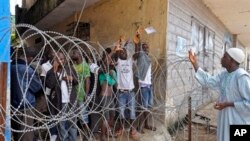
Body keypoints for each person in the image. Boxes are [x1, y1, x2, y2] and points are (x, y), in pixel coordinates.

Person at [188, 47, 250, 141]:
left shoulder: (242, 77)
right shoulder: (224, 74)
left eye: (225, 57)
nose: (221, 58)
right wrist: (194, 63)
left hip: (238, 121)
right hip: (225, 118)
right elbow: (209, 81)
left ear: (232, 61)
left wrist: (227, 104)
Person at [45, 51, 78, 141]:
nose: (60, 61)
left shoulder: (69, 69)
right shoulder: (50, 72)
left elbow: (77, 81)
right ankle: (64, 139)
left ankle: (73, 139)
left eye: (62, 59)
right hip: (59, 102)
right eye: (58, 59)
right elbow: (50, 85)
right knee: (61, 124)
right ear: (54, 60)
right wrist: (54, 71)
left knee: (72, 122)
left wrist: (72, 79)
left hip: (70, 100)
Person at [11, 47, 42, 141]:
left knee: (17, 134)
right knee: (27, 135)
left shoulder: (10, 67)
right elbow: (37, 87)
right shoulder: (26, 69)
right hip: (26, 105)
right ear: (30, 57)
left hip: (13, 105)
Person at [134, 42, 156, 133]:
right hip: (143, 87)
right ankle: (140, 126)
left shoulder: (148, 58)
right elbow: (137, 51)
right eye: (144, 47)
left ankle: (146, 124)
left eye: (147, 47)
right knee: (143, 108)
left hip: (149, 86)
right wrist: (137, 42)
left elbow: (149, 73)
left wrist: (151, 84)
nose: (146, 49)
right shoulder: (141, 57)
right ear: (141, 49)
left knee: (148, 108)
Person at [70, 48, 91, 140]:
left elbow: (87, 80)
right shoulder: (73, 66)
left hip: (81, 94)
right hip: (73, 95)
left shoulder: (84, 65)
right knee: (77, 117)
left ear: (79, 54)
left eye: (74, 53)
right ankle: (84, 135)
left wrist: (86, 94)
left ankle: (88, 135)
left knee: (83, 116)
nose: (72, 54)